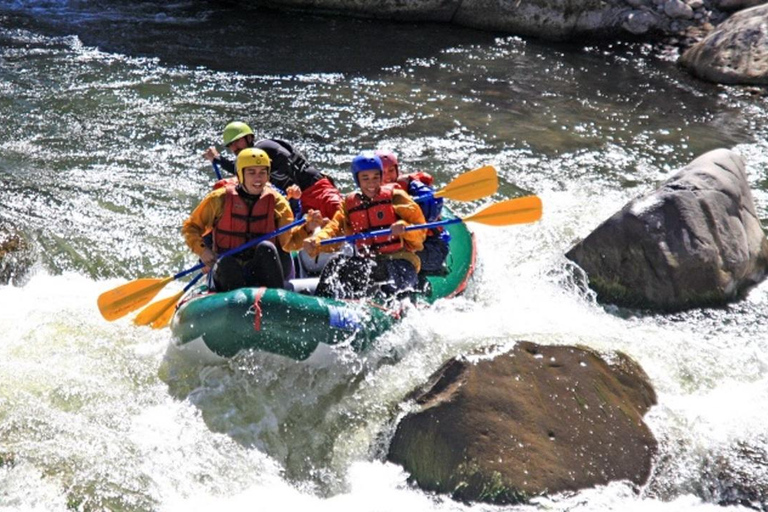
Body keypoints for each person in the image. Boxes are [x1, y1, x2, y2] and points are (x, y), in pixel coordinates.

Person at [183, 147, 322, 292]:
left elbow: (288, 243)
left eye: (263, 172)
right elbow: (191, 227)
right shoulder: (219, 199)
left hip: (259, 270)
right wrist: (203, 251)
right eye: (252, 172)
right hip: (227, 270)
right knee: (227, 263)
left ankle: (276, 300)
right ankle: (236, 304)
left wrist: (307, 229)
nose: (258, 178)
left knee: (266, 249)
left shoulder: (277, 201)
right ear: (240, 174)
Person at [303, 152, 427, 300]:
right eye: (365, 178)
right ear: (357, 180)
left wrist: (405, 228)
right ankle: (324, 304)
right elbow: (334, 228)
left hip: (400, 260)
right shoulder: (349, 204)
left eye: (376, 177)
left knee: (399, 273)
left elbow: (421, 232)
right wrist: (317, 241)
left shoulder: (397, 197)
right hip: (371, 263)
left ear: (381, 177)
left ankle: (404, 305)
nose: (371, 183)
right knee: (336, 264)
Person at [203, 122, 343, 220]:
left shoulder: (264, 147)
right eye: (231, 145)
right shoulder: (252, 165)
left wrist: (217, 158)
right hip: (299, 200)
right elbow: (241, 169)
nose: (235, 147)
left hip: (317, 189)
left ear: (250, 138)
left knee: (342, 214)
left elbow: (238, 166)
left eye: (238, 141)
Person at [375, 149, 450, 274]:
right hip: (396, 245)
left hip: (431, 247)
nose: (387, 176)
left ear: (397, 170)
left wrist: (410, 206)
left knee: (396, 261)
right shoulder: (369, 191)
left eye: (391, 171)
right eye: (382, 173)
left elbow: (432, 209)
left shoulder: (415, 189)